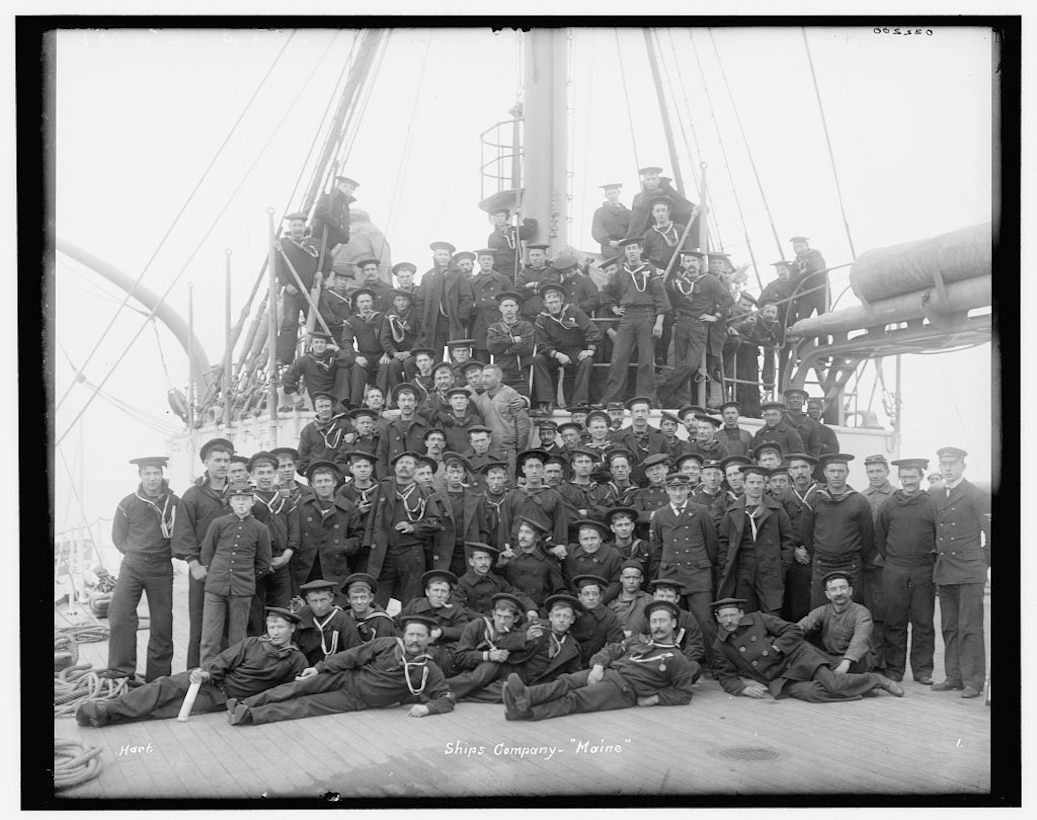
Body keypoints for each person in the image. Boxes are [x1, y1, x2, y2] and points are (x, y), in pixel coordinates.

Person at [76, 607, 308, 727]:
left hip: (222, 698)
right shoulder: (252, 643)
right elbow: (223, 660)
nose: (275, 632)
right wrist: (206, 672)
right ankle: (105, 709)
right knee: (162, 687)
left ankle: (108, 717)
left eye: (280, 627)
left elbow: (289, 692)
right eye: (272, 626)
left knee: (166, 710)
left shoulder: (296, 660)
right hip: (207, 680)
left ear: (292, 629)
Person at [227, 614, 457, 725]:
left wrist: (428, 709)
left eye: (420, 636)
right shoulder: (387, 644)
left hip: (355, 700)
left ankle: (250, 716)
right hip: (344, 677)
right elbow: (351, 656)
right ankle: (245, 703)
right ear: (404, 635)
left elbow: (446, 698)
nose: (414, 640)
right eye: (411, 634)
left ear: (429, 640)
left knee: (305, 706)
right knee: (297, 687)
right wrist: (318, 669)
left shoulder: (428, 668)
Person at [502, 599, 697, 721]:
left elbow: (683, 693)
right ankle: (525, 696)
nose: (657, 626)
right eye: (654, 621)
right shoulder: (639, 640)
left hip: (623, 689)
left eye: (662, 621)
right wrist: (598, 666)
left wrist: (654, 699)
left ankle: (527, 713)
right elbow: (612, 649)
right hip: (606, 672)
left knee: (574, 699)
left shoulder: (676, 658)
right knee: (566, 681)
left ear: (673, 623)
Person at [710, 598, 904, 702]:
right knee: (810, 693)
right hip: (777, 677)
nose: (729, 621)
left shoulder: (759, 619)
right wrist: (744, 689)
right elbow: (726, 676)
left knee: (832, 683)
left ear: (741, 614)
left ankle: (877, 680)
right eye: (724, 617)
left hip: (797, 657)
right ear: (718, 618)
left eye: (732, 615)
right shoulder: (720, 645)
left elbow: (793, 629)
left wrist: (778, 645)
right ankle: (858, 688)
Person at [106, 456, 180, 682]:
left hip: (161, 567)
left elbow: (182, 532)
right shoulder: (128, 503)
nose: (152, 478)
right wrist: (135, 552)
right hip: (133, 565)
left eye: (156, 473)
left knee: (162, 622)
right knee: (120, 615)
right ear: (140, 476)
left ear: (162, 475)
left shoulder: (174, 502)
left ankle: (158, 678)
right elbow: (118, 537)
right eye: (147, 473)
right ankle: (121, 673)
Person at [930, 446, 990, 698]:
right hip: (946, 570)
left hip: (969, 571)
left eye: (952, 464)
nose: (947, 468)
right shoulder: (937, 495)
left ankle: (973, 682)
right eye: (943, 464)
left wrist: (981, 562)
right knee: (950, 627)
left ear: (963, 466)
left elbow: (992, 533)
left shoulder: (976, 495)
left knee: (970, 628)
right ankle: (953, 676)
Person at [172, 438, 234, 670]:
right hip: (203, 570)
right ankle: (194, 675)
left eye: (226, 460)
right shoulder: (194, 495)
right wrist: (193, 563)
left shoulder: (238, 493)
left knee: (230, 625)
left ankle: (226, 674)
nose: (222, 465)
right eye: (217, 460)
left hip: (233, 569)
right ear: (206, 462)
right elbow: (183, 531)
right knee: (200, 625)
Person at [875, 458, 936, 685]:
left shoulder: (931, 504)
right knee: (894, 621)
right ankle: (894, 669)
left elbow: (938, 537)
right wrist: (895, 561)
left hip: (923, 570)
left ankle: (922, 670)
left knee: (923, 621)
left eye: (912, 477)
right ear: (899, 478)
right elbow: (880, 538)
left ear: (921, 477)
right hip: (895, 569)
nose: (908, 482)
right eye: (904, 477)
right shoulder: (889, 505)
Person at [446, 592, 571, 702]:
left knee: (508, 694)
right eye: (499, 616)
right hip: (472, 668)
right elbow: (459, 657)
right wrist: (488, 655)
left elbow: (518, 645)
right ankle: (438, 689)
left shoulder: (515, 632)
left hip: (504, 671)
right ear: (493, 614)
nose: (502, 621)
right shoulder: (478, 626)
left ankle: (458, 695)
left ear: (516, 619)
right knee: (477, 678)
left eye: (507, 618)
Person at [198, 482, 273, 665]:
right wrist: (216, 572)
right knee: (210, 637)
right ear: (230, 502)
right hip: (216, 586)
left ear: (253, 502)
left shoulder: (260, 529)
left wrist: (246, 576)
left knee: (238, 638)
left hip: (242, 589)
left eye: (246, 499)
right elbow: (207, 553)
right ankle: (206, 674)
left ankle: (234, 676)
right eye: (237, 499)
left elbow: (263, 563)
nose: (241, 503)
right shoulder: (219, 524)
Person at [649, 473, 719, 664]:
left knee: (704, 620)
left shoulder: (701, 511)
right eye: (673, 489)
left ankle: (714, 664)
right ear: (667, 490)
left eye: (682, 489)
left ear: (688, 490)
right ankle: (674, 662)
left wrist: (702, 564)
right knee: (671, 620)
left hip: (698, 573)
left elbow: (711, 544)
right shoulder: (660, 515)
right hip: (671, 574)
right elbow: (657, 547)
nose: (678, 493)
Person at [364, 451, 445, 608]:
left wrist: (413, 527)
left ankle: (408, 630)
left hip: (411, 553)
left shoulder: (423, 492)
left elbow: (435, 521)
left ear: (415, 469)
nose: (404, 466)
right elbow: (372, 519)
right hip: (383, 553)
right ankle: (376, 630)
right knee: (377, 600)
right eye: (401, 463)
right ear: (395, 468)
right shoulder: (382, 488)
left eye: (409, 463)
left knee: (411, 600)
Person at [800, 453, 878, 609]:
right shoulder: (813, 500)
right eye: (832, 471)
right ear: (825, 473)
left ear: (847, 473)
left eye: (840, 471)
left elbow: (867, 536)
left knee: (851, 611)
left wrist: (851, 554)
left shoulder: (859, 501)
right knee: (819, 611)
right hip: (822, 564)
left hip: (851, 565)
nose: (836, 475)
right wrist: (822, 552)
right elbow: (806, 534)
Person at [716, 465, 796, 616]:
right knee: (746, 614)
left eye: (759, 483)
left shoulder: (776, 510)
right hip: (743, 570)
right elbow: (724, 542)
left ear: (765, 485)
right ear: (744, 484)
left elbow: (788, 541)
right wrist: (726, 566)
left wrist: (782, 565)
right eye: (751, 483)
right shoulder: (733, 511)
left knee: (772, 613)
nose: (755, 487)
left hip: (770, 569)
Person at [600, 237, 670, 404]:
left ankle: (645, 399)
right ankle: (613, 398)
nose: (631, 252)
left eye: (634, 248)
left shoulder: (650, 270)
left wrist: (659, 322)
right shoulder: (621, 272)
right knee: (618, 358)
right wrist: (614, 308)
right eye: (628, 249)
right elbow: (607, 294)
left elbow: (661, 298)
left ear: (640, 250)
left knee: (646, 360)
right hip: (627, 316)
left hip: (647, 315)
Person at [246, 452, 297, 634]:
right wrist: (261, 560)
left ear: (275, 473)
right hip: (255, 564)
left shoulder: (285, 501)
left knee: (281, 610)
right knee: (255, 611)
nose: (266, 477)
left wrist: (286, 556)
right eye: (260, 473)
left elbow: (294, 532)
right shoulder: (249, 501)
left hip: (281, 561)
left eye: (269, 472)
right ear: (252, 475)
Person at [295, 461, 364, 592]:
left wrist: (342, 546)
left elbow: (358, 536)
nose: (323, 485)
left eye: (327, 481)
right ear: (313, 484)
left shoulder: (347, 507)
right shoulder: (302, 505)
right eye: (319, 482)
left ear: (335, 483)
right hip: (307, 567)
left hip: (335, 565)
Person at [532, 282, 600, 414]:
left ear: (561, 301)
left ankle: (579, 401)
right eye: (550, 302)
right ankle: (546, 401)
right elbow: (542, 343)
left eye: (556, 301)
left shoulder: (574, 311)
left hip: (574, 350)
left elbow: (592, 330)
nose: (554, 305)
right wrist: (556, 354)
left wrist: (590, 350)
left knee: (587, 361)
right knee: (538, 359)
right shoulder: (541, 319)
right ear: (545, 303)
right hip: (554, 353)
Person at [797, 571, 876, 674]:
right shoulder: (822, 611)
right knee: (800, 646)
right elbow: (801, 626)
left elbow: (861, 638)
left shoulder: (861, 612)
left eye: (843, 588)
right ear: (828, 594)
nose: (839, 593)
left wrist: (846, 662)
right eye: (833, 589)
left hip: (856, 662)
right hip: (831, 658)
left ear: (850, 591)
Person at [397, 569, 471, 676]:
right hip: (410, 646)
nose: (439, 595)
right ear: (427, 592)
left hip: (440, 652)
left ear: (449, 594)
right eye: (435, 590)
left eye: (443, 591)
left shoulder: (456, 610)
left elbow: (464, 631)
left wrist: (442, 632)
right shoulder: (414, 605)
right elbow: (395, 625)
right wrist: (408, 638)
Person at [274, 211, 323, 365]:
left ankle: (315, 355)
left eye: (300, 225)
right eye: (294, 225)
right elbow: (277, 267)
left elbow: (326, 260)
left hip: (311, 293)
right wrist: (286, 284)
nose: (297, 229)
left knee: (314, 324)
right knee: (289, 323)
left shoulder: (314, 243)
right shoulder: (282, 244)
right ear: (290, 227)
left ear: (304, 227)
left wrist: (322, 277)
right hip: (292, 292)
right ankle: (284, 357)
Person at [779, 452, 821, 622]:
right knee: (798, 604)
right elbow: (779, 530)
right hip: (796, 559)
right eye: (795, 468)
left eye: (804, 467)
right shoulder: (782, 497)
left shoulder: (823, 492)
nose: (800, 472)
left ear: (812, 469)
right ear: (789, 472)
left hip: (820, 556)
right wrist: (794, 550)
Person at [499, 450, 569, 549]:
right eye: (530, 467)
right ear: (524, 469)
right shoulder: (513, 495)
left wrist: (558, 548)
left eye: (538, 466)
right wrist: (505, 548)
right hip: (518, 550)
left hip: (545, 550)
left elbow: (560, 527)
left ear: (543, 469)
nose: (534, 471)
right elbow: (505, 526)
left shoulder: (554, 496)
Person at [496, 517, 567, 610]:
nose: (522, 536)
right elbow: (500, 585)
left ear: (537, 538)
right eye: (521, 532)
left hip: (540, 611)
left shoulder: (547, 561)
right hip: (513, 610)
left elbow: (559, 590)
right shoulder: (509, 558)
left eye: (528, 532)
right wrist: (500, 565)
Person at [455, 542, 537, 621]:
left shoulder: (498, 580)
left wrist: (531, 608)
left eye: (487, 558)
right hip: (474, 626)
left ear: (491, 560)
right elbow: (460, 608)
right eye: (479, 559)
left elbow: (516, 594)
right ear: (471, 562)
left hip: (499, 623)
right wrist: (486, 619)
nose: (483, 563)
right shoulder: (462, 583)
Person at [417, 241, 475, 352]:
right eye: (440, 254)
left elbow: (467, 298)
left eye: (445, 255)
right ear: (434, 256)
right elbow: (420, 301)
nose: (443, 257)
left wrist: (460, 317)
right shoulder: (428, 276)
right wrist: (424, 319)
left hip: (453, 321)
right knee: (434, 354)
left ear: (450, 257)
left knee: (457, 353)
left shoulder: (458, 275)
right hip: (434, 322)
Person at [474, 363, 532, 471]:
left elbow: (522, 423)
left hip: (507, 450)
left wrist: (519, 448)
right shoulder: (481, 399)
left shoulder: (510, 394)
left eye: (488, 376)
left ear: (498, 378)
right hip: (489, 450)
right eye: (482, 376)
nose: (484, 380)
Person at [294, 579, 362, 666]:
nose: (319, 606)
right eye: (314, 601)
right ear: (307, 600)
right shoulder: (303, 615)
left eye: (323, 600)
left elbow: (355, 651)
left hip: (336, 668)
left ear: (331, 598)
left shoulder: (342, 619)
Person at [647, 578, 706, 673]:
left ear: (677, 598)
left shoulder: (687, 618)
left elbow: (695, 646)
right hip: (652, 661)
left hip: (679, 662)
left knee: (694, 667)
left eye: (669, 596)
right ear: (654, 596)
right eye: (661, 596)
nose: (665, 600)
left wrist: (679, 660)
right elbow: (638, 641)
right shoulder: (646, 616)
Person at [281, 331, 353, 410]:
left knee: (344, 369)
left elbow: (349, 361)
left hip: (335, 396)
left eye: (322, 342)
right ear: (312, 344)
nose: (319, 345)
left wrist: (336, 348)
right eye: (316, 342)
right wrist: (294, 396)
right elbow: (287, 377)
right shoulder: (304, 360)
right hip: (319, 398)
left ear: (327, 345)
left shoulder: (332, 358)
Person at [610, 396, 671, 485]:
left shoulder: (660, 435)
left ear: (648, 413)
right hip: (630, 484)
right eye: (637, 411)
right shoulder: (619, 437)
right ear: (631, 414)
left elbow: (668, 460)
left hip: (654, 485)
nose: (640, 415)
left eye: (643, 411)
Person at [625, 166, 697, 240]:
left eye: (653, 179)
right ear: (644, 182)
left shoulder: (668, 193)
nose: (651, 182)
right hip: (647, 234)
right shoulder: (638, 198)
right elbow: (635, 221)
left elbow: (682, 205)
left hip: (667, 232)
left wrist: (693, 208)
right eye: (648, 179)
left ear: (658, 180)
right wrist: (630, 236)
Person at [569, 574, 626, 666]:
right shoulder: (571, 613)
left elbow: (616, 646)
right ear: (579, 596)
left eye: (595, 594)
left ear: (601, 596)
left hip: (597, 664)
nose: (591, 598)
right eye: (586, 594)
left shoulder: (609, 617)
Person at [375, 383, 431, 476]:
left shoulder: (425, 425)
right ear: (398, 403)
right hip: (394, 476)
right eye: (403, 400)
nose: (406, 404)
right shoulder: (390, 427)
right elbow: (381, 454)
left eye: (410, 400)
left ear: (416, 403)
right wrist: (383, 479)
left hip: (418, 475)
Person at [486, 291, 535, 396]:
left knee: (520, 405)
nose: (509, 309)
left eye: (512, 306)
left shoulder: (525, 326)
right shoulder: (495, 327)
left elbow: (527, 347)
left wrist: (504, 349)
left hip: (520, 374)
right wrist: (512, 340)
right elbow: (492, 346)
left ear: (517, 308)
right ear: (500, 308)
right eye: (506, 306)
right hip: (501, 374)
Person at [469, 248, 512, 362]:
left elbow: (512, 302)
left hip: (499, 324)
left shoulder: (503, 280)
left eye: (489, 259)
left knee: (502, 359)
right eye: (483, 259)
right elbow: (469, 303)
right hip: (480, 325)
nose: (486, 262)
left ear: (493, 262)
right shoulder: (472, 282)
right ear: (478, 262)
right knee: (481, 359)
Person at [563, 520, 624, 603]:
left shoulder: (613, 555)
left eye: (593, 538)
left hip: (605, 600)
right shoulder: (571, 552)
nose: (589, 543)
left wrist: (600, 600)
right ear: (579, 540)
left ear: (601, 539)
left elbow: (616, 582)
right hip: (576, 600)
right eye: (585, 539)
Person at [297, 391, 354, 476]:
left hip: (338, 474)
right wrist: (308, 473)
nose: (324, 410)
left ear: (332, 407)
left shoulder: (344, 426)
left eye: (327, 406)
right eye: (321, 406)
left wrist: (347, 469)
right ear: (315, 408)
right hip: (316, 477)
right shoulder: (308, 430)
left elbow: (354, 448)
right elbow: (302, 457)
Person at [378, 288, 420, 397]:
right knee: (394, 364)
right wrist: (394, 353)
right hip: (397, 353)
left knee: (409, 363)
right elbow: (385, 337)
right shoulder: (389, 315)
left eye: (404, 300)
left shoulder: (415, 314)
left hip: (413, 352)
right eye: (398, 300)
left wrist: (412, 352)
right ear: (394, 302)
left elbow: (421, 335)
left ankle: (414, 395)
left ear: (409, 301)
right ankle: (396, 396)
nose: (401, 303)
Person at [312, 174, 357, 272]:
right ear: (338, 186)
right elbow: (319, 212)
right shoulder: (328, 198)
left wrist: (345, 235)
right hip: (319, 239)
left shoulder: (346, 207)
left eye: (351, 188)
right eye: (345, 186)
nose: (348, 189)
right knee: (318, 265)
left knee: (325, 267)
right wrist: (335, 224)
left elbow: (345, 224)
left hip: (331, 243)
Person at [338, 573, 397, 643]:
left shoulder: (382, 621)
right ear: (348, 599)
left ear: (371, 598)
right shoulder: (343, 617)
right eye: (354, 598)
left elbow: (385, 648)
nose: (359, 602)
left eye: (363, 597)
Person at [487, 207, 538, 281]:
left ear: (506, 218)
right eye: (497, 217)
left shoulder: (515, 230)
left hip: (515, 268)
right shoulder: (492, 237)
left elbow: (529, 230)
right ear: (494, 219)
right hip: (500, 270)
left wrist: (522, 216)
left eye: (502, 216)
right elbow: (490, 255)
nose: (500, 219)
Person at [514, 244, 562, 319]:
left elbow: (552, 287)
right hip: (528, 315)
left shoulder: (553, 270)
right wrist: (538, 290)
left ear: (545, 256)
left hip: (548, 315)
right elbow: (519, 290)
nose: (534, 258)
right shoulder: (525, 271)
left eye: (537, 255)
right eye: (532, 255)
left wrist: (532, 285)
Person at [607, 560, 654, 635]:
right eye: (627, 577)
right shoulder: (612, 604)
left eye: (635, 578)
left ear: (641, 579)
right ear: (621, 578)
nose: (631, 581)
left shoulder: (649, 601)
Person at [788, 235, 829, 323]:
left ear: (807, 246)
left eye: (801, 246)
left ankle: (823, 337)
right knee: (801, 321)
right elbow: (791, 282)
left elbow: (815, 269)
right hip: (806, 296)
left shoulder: (817, 257)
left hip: (820, 293)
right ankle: (804, 337)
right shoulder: (795, 264)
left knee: (824, 321)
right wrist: (804, 272)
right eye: (796, 247)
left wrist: (800, 275)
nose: (798, 250)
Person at [605, 507, 652, 579]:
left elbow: (652, 572)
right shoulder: (607, 550)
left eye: (627, 524)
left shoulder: (644, 547)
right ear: (613, 528)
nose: (624, 529)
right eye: (619, 525)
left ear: (632, 526)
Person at [591, 182, 631, 257]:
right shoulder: (600, 212)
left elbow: (632, 229)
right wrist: (609, 242)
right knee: (612, 263)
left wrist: (625, 239)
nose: (612, 196)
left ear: (618, 193)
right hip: (608, 246)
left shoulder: (628, 213)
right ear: (606, 196)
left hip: (625, 244)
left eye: (614, 193)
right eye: (609, 194)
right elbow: (597, 230)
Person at [782, 388, 824, 459]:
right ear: (787, 401)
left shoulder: (811, 423)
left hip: (804, 463)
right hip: (784, 463)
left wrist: (811, 462)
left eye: (799, 398)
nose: (795, 400)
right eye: (792, 398)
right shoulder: (781, 421)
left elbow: (816, 446)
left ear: (804, 402)